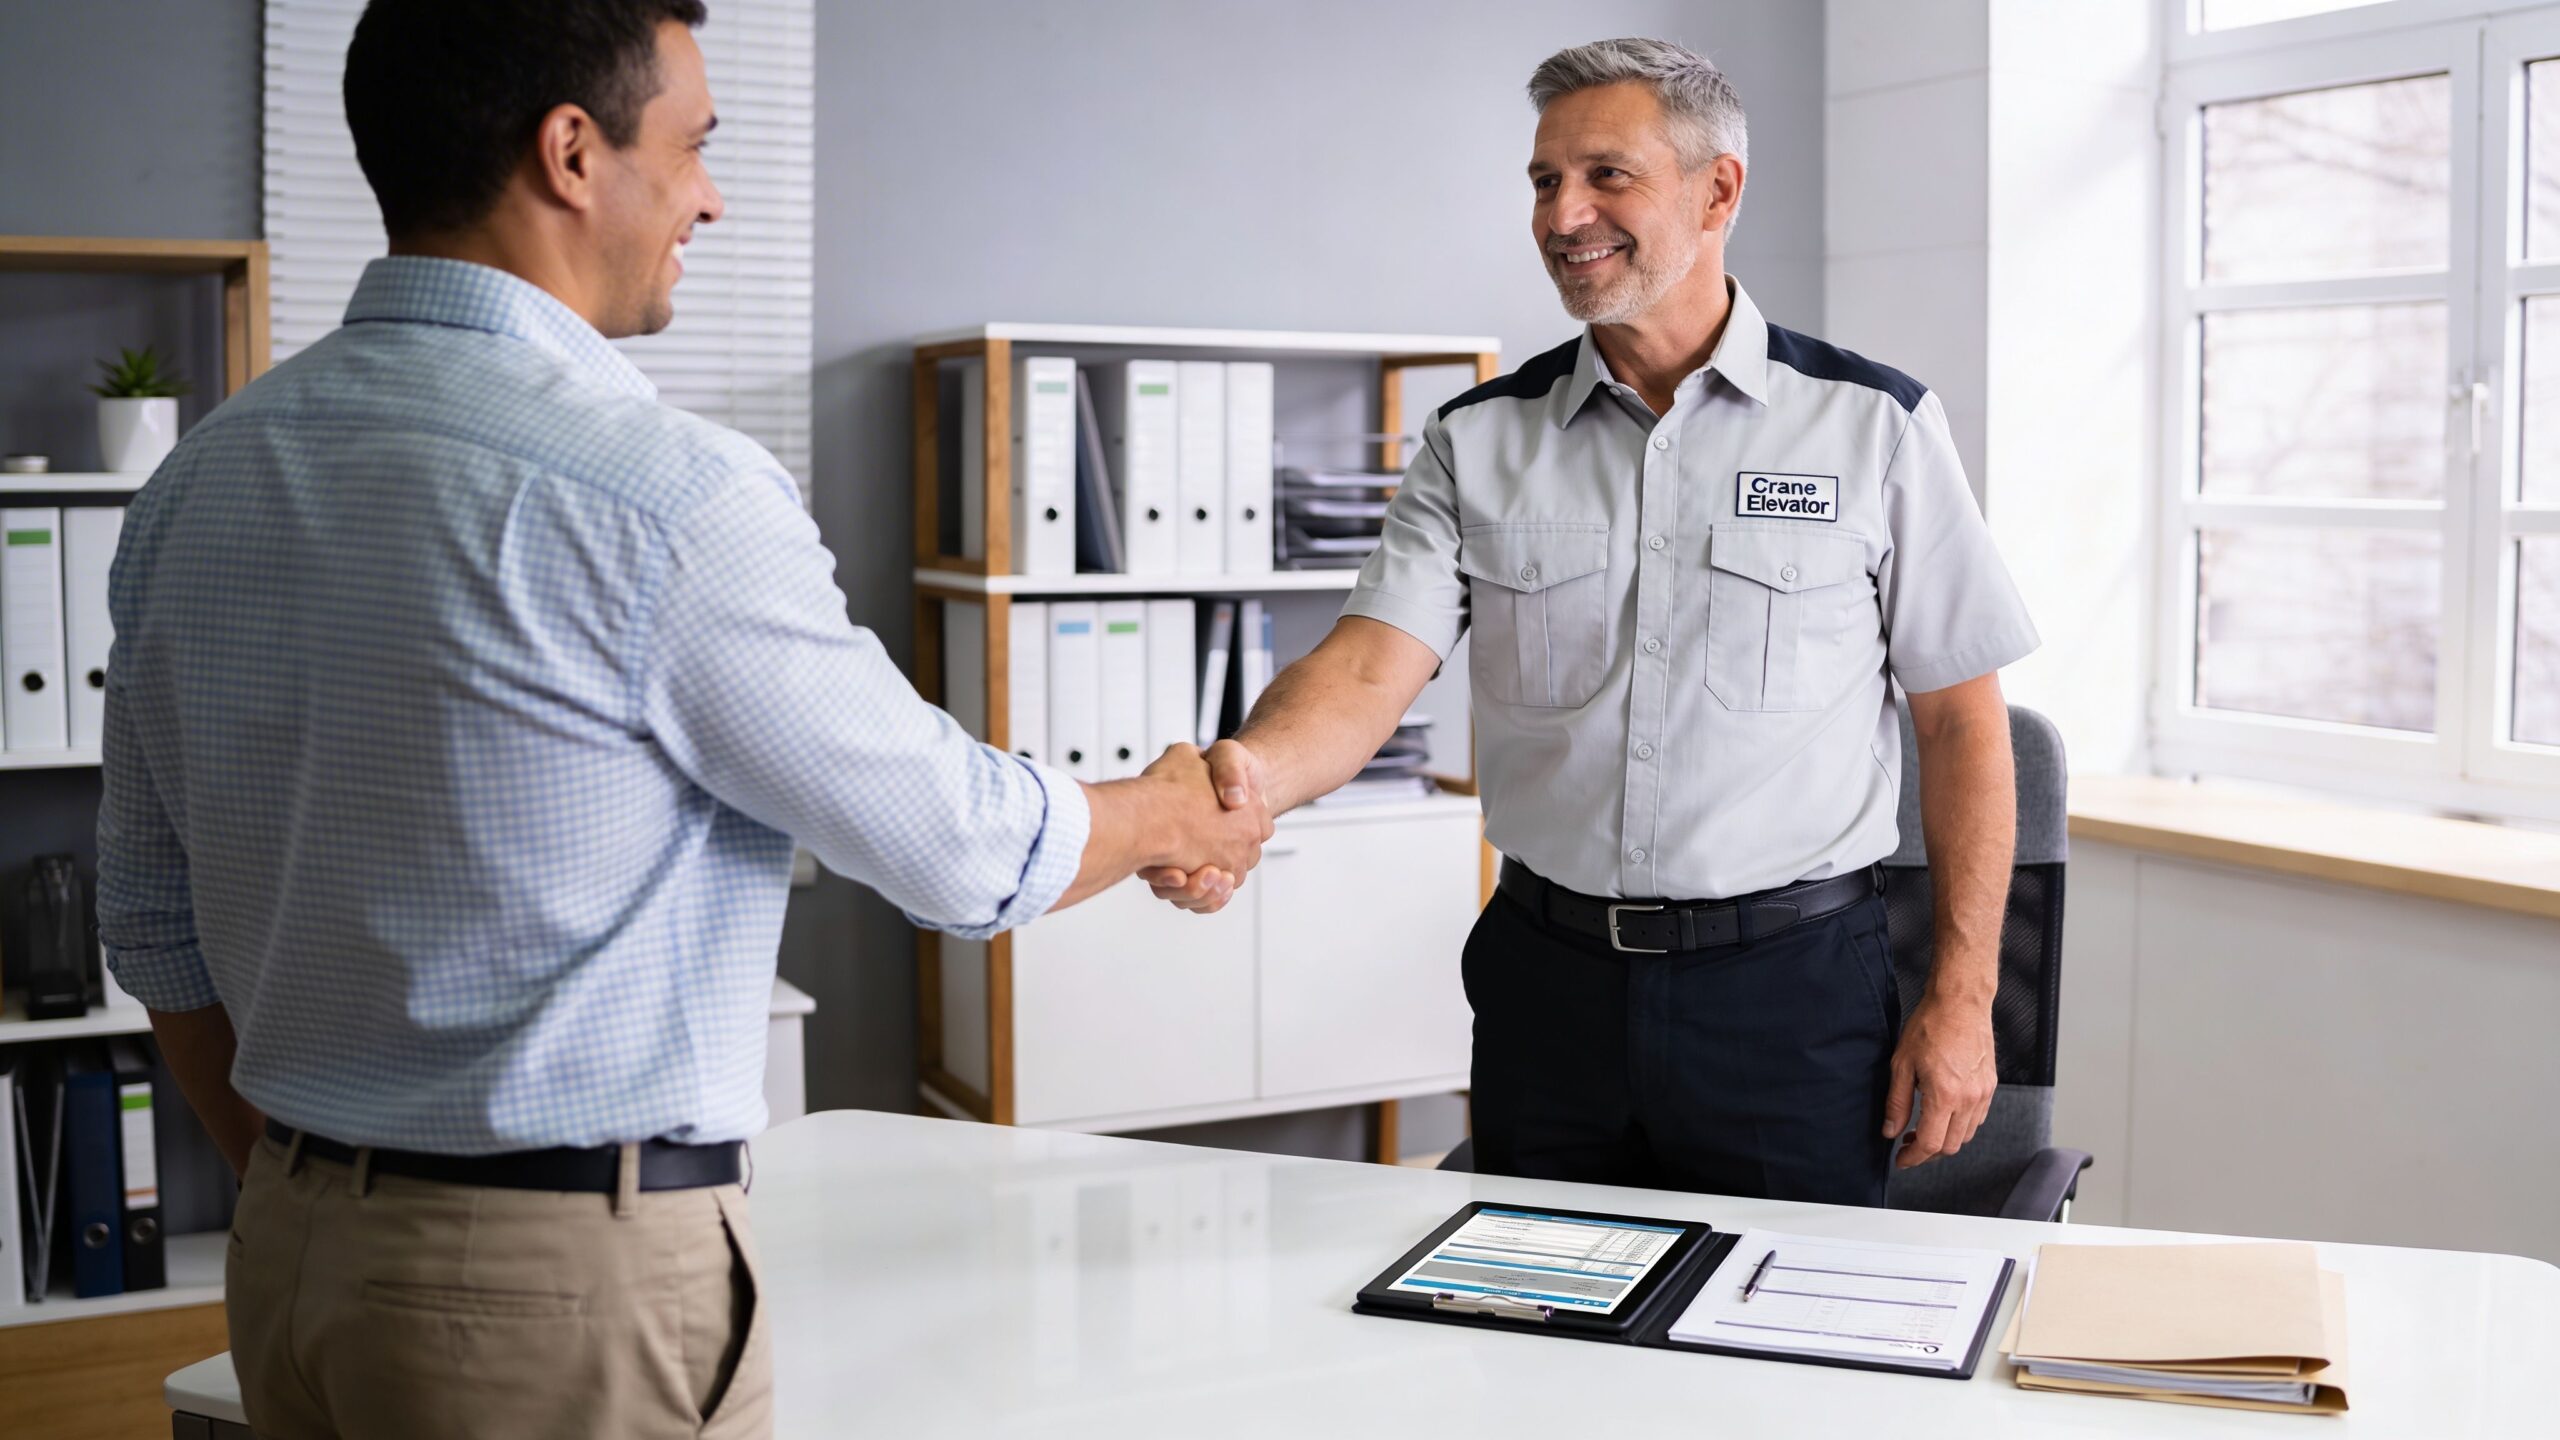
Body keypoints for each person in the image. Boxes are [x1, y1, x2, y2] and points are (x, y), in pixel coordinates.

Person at [95, 4, 1266, 1436]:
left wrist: (326, 1186)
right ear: (573, 154)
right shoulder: (658, 495)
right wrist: (1170, 808)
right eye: (696, 146)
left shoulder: (196, 485)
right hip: (549, 1294)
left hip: (290, 1264)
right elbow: (961, 850)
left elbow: (153, 927)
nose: (712, 193)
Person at [1149, 37, 2037, 1205]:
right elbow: (1367, 668)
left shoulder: (1872, 427)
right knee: (1527, 1348)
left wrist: (1963, 999)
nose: (1563, 215)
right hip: (1548, 985)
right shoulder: (1480, 439)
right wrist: (1242, 786)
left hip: (1795, 991)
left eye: (1605, 176)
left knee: (1777, 1364)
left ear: (1716, 189)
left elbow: (1963, 727)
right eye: (1542, 181)